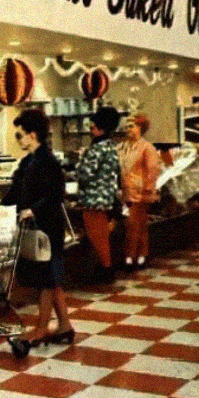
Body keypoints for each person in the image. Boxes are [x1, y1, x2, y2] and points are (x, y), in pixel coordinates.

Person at [2, 108, 72, 349]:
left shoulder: (48, 161)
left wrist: (34, 209)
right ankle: (64, 325)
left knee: (47, 279)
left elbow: (54, 194)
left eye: (20, 135)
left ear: (33, 135)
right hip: (35, 227)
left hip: (48, 228)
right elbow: (16, 190)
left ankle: (41, 328)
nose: (17, 140)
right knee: (51, 278)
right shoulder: (28, 161)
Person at [74, 105, 121, 283]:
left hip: (93, 199)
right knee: (103, 235)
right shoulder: (111, 147)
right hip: (106, 198)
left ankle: (106, 269)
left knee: (97, 237)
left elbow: (85, 173)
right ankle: (105, 267)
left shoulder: (96, 149)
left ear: (101, 128)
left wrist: (78, 164)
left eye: (93, 127)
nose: (91, 130)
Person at [118, 113, 161, 272]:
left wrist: (148, 189)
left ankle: (130, 258)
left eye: (132, 126)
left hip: (140, 193)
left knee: (133, 227)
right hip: (126, 192)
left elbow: (153, 170)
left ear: (140, 128)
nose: (128, 129)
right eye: (127, 126)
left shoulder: (147, 148)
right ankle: (141, 256)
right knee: (139, 226)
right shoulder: (123, 146)